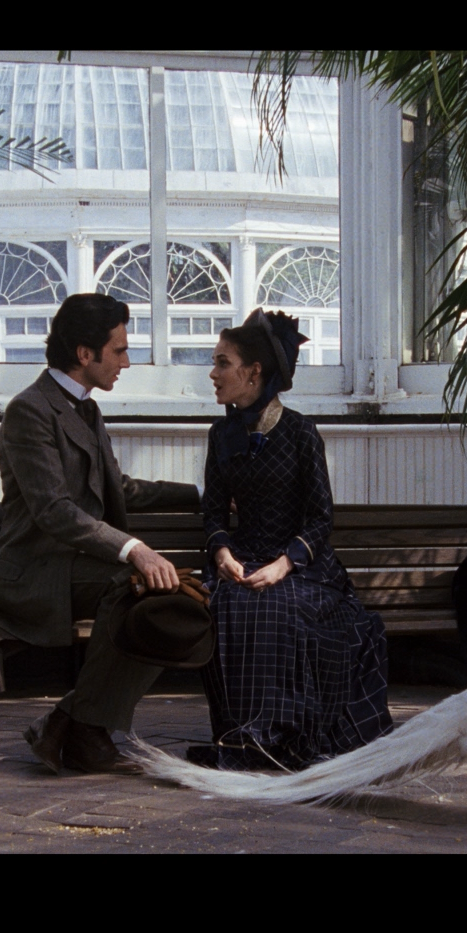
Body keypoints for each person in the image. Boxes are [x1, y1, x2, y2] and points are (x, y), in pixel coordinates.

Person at [0, 293, 198, 775]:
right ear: (84, 353)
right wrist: (134, 550)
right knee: (136, 588)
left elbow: (121, 488)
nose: (127, 362)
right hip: (33, 569)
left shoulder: (85, 409)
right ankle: (85, 733)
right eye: (119, 350)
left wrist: (201, 494)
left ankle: (72, 722)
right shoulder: (29, 410)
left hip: (74, 566)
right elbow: (54, 511)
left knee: (169, 604)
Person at [193, 309, 392, 769]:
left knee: (279, 604)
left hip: (303, 567)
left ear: (253, 372)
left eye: (222, 363)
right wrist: (221, 553)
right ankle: (241, 737)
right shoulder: (221, 434)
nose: (213, 373)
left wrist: (285, 564)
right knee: (229, 602)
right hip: (244, 557)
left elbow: (321, 517)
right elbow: (214, 511)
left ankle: (281, 737)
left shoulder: (301, 432)